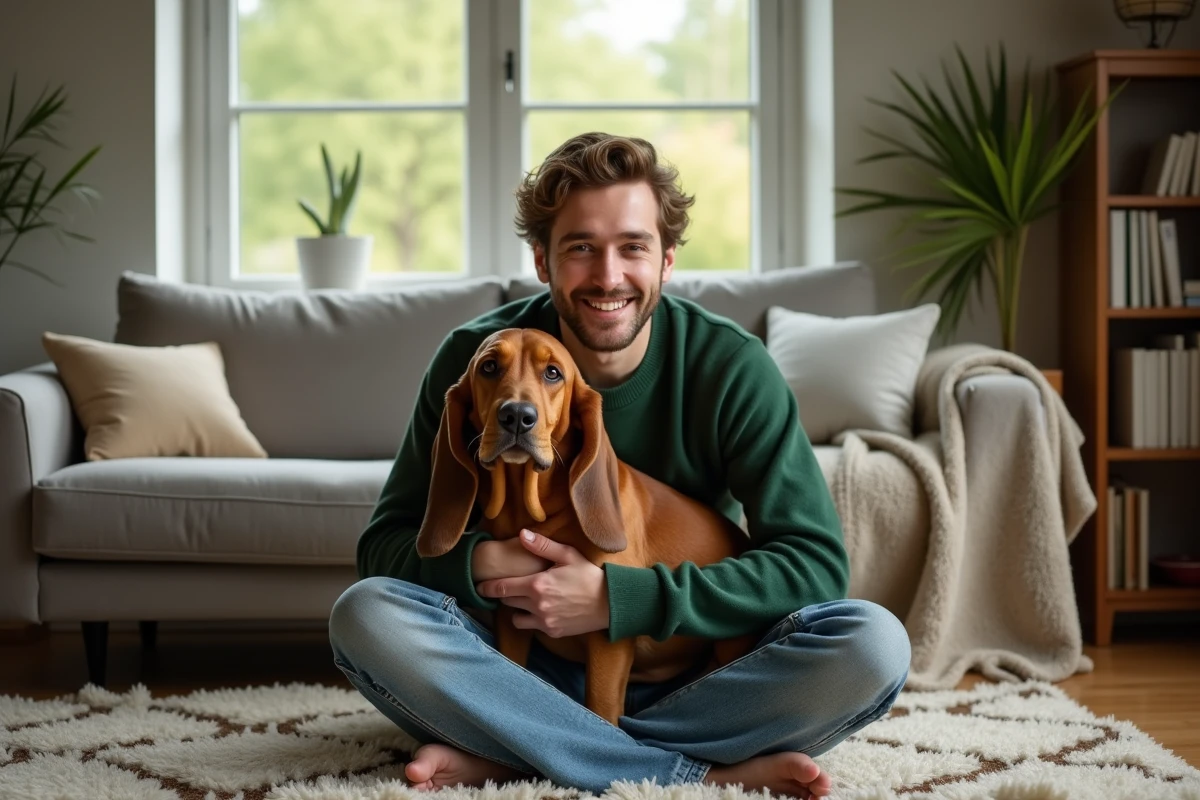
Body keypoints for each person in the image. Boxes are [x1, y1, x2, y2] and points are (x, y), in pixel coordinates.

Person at [328, 132, 910, 799]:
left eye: (632, 247)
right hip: (518, 672)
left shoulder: (729, 367)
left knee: (873, 645)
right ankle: (687, 768)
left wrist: (619, 598)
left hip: (700, 681)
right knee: (364, 616)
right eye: (580, 248)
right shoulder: (475, 363)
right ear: (542, 261)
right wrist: (491, 565)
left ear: (666, 262)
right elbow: (385, 549)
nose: (608, 276)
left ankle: (526, 750)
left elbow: (813, 564)